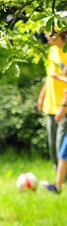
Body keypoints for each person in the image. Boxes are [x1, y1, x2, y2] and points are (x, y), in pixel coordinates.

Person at [37, 30, 67, 170]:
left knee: (61, 145)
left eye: (51, 33)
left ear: (60, 34)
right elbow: (50, 77)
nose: (47, 36)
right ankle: (59, 179)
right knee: (52, 145)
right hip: (50, 105)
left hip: (64, 106)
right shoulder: (52, 51)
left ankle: (62, 179)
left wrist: (63, 106)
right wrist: (42, 96)